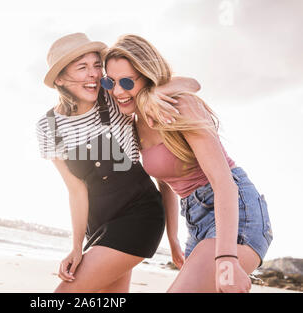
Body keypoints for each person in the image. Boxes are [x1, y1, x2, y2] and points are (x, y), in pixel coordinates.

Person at [103, 34, 273, 293]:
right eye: (110, 81)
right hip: (196, 221)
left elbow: (223, 182)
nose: (117, 91)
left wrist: (226, 258)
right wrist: (172, 238)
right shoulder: (135, 123)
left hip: (236, 212)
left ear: (148, 76)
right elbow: (166, 182)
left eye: (127, 82)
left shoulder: (178, 106)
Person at [36, 33, 200, 292]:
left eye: (96, 65)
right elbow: (76, 189)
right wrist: (76, 247)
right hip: (98, 226)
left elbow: (191, 84)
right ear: (60, 79)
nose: (93, 74)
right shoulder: (48, 127)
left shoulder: (113, 97)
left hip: (139, 215)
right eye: (82, 67)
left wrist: (153, 95)